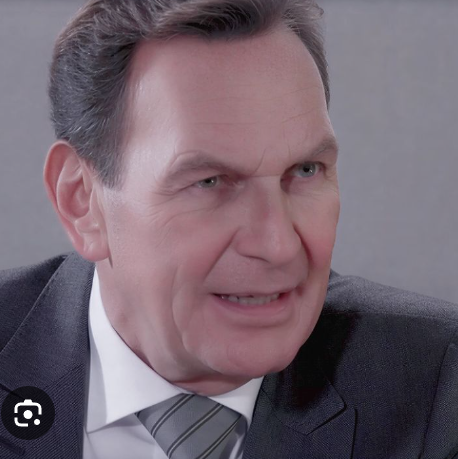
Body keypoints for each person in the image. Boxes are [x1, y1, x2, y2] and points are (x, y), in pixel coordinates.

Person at [0, 0, 457, 457]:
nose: (278, 245)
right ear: (82, 200)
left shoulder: (440, 390)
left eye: (304, 171)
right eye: (210, 182)